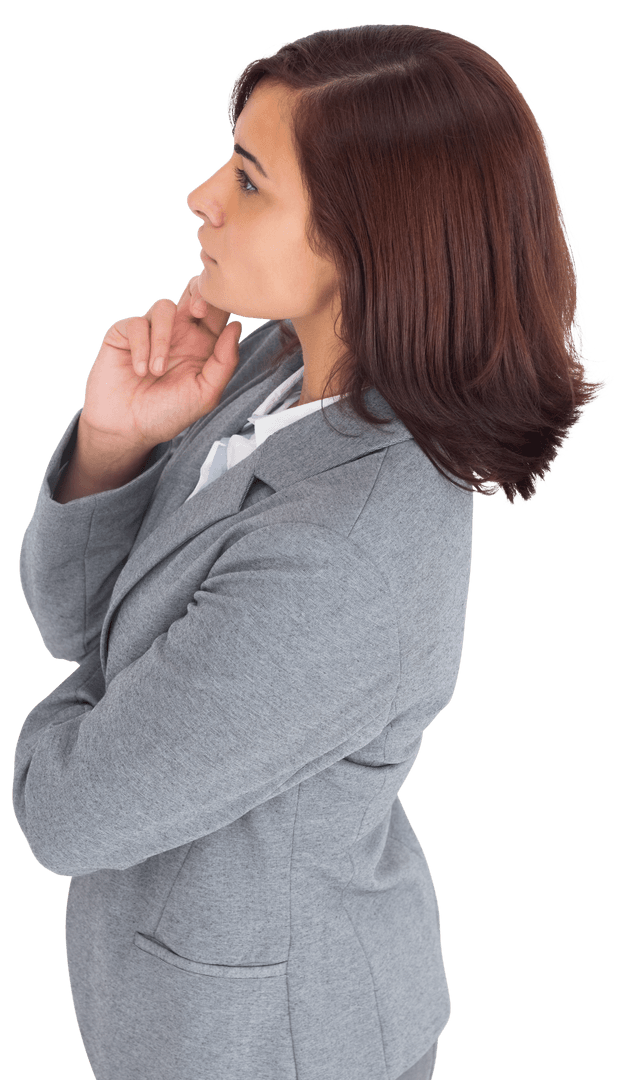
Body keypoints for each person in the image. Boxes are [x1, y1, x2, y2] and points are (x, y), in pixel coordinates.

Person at [12, 22, 608, 1080]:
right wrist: (117, 441)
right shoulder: (282, 370)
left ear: (367, 237)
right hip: (190, 1001)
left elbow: (68, 816)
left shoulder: (340, 557)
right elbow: (74, 619)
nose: (201, 197)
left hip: (273, 1045)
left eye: (247, 180)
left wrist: (98, 690)